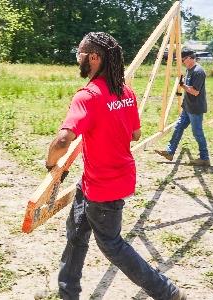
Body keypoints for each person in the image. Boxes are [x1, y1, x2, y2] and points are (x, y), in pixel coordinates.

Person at [43, 32, 187, 300]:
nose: (78, 59)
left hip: (104, 187)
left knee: (112, 245)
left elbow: (63, 139)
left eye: (80, 54)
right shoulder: (126, 93)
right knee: (76, 234)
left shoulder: (87, 96)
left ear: (94, 58)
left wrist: (50, 162)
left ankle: (167, 292)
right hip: (98, 180)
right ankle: (67, 293)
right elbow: (135, 134)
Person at [155, 49, 210, 166]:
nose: (183, 62)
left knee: (197, 133)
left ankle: (205, 158)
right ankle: (170, 152)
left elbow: (195, 92)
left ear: (190, 58)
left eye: (183, 60)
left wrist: (182, 85)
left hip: (195, 109)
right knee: (178, 127)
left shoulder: (198, 72)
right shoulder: (189, 70)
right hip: (188, 107)